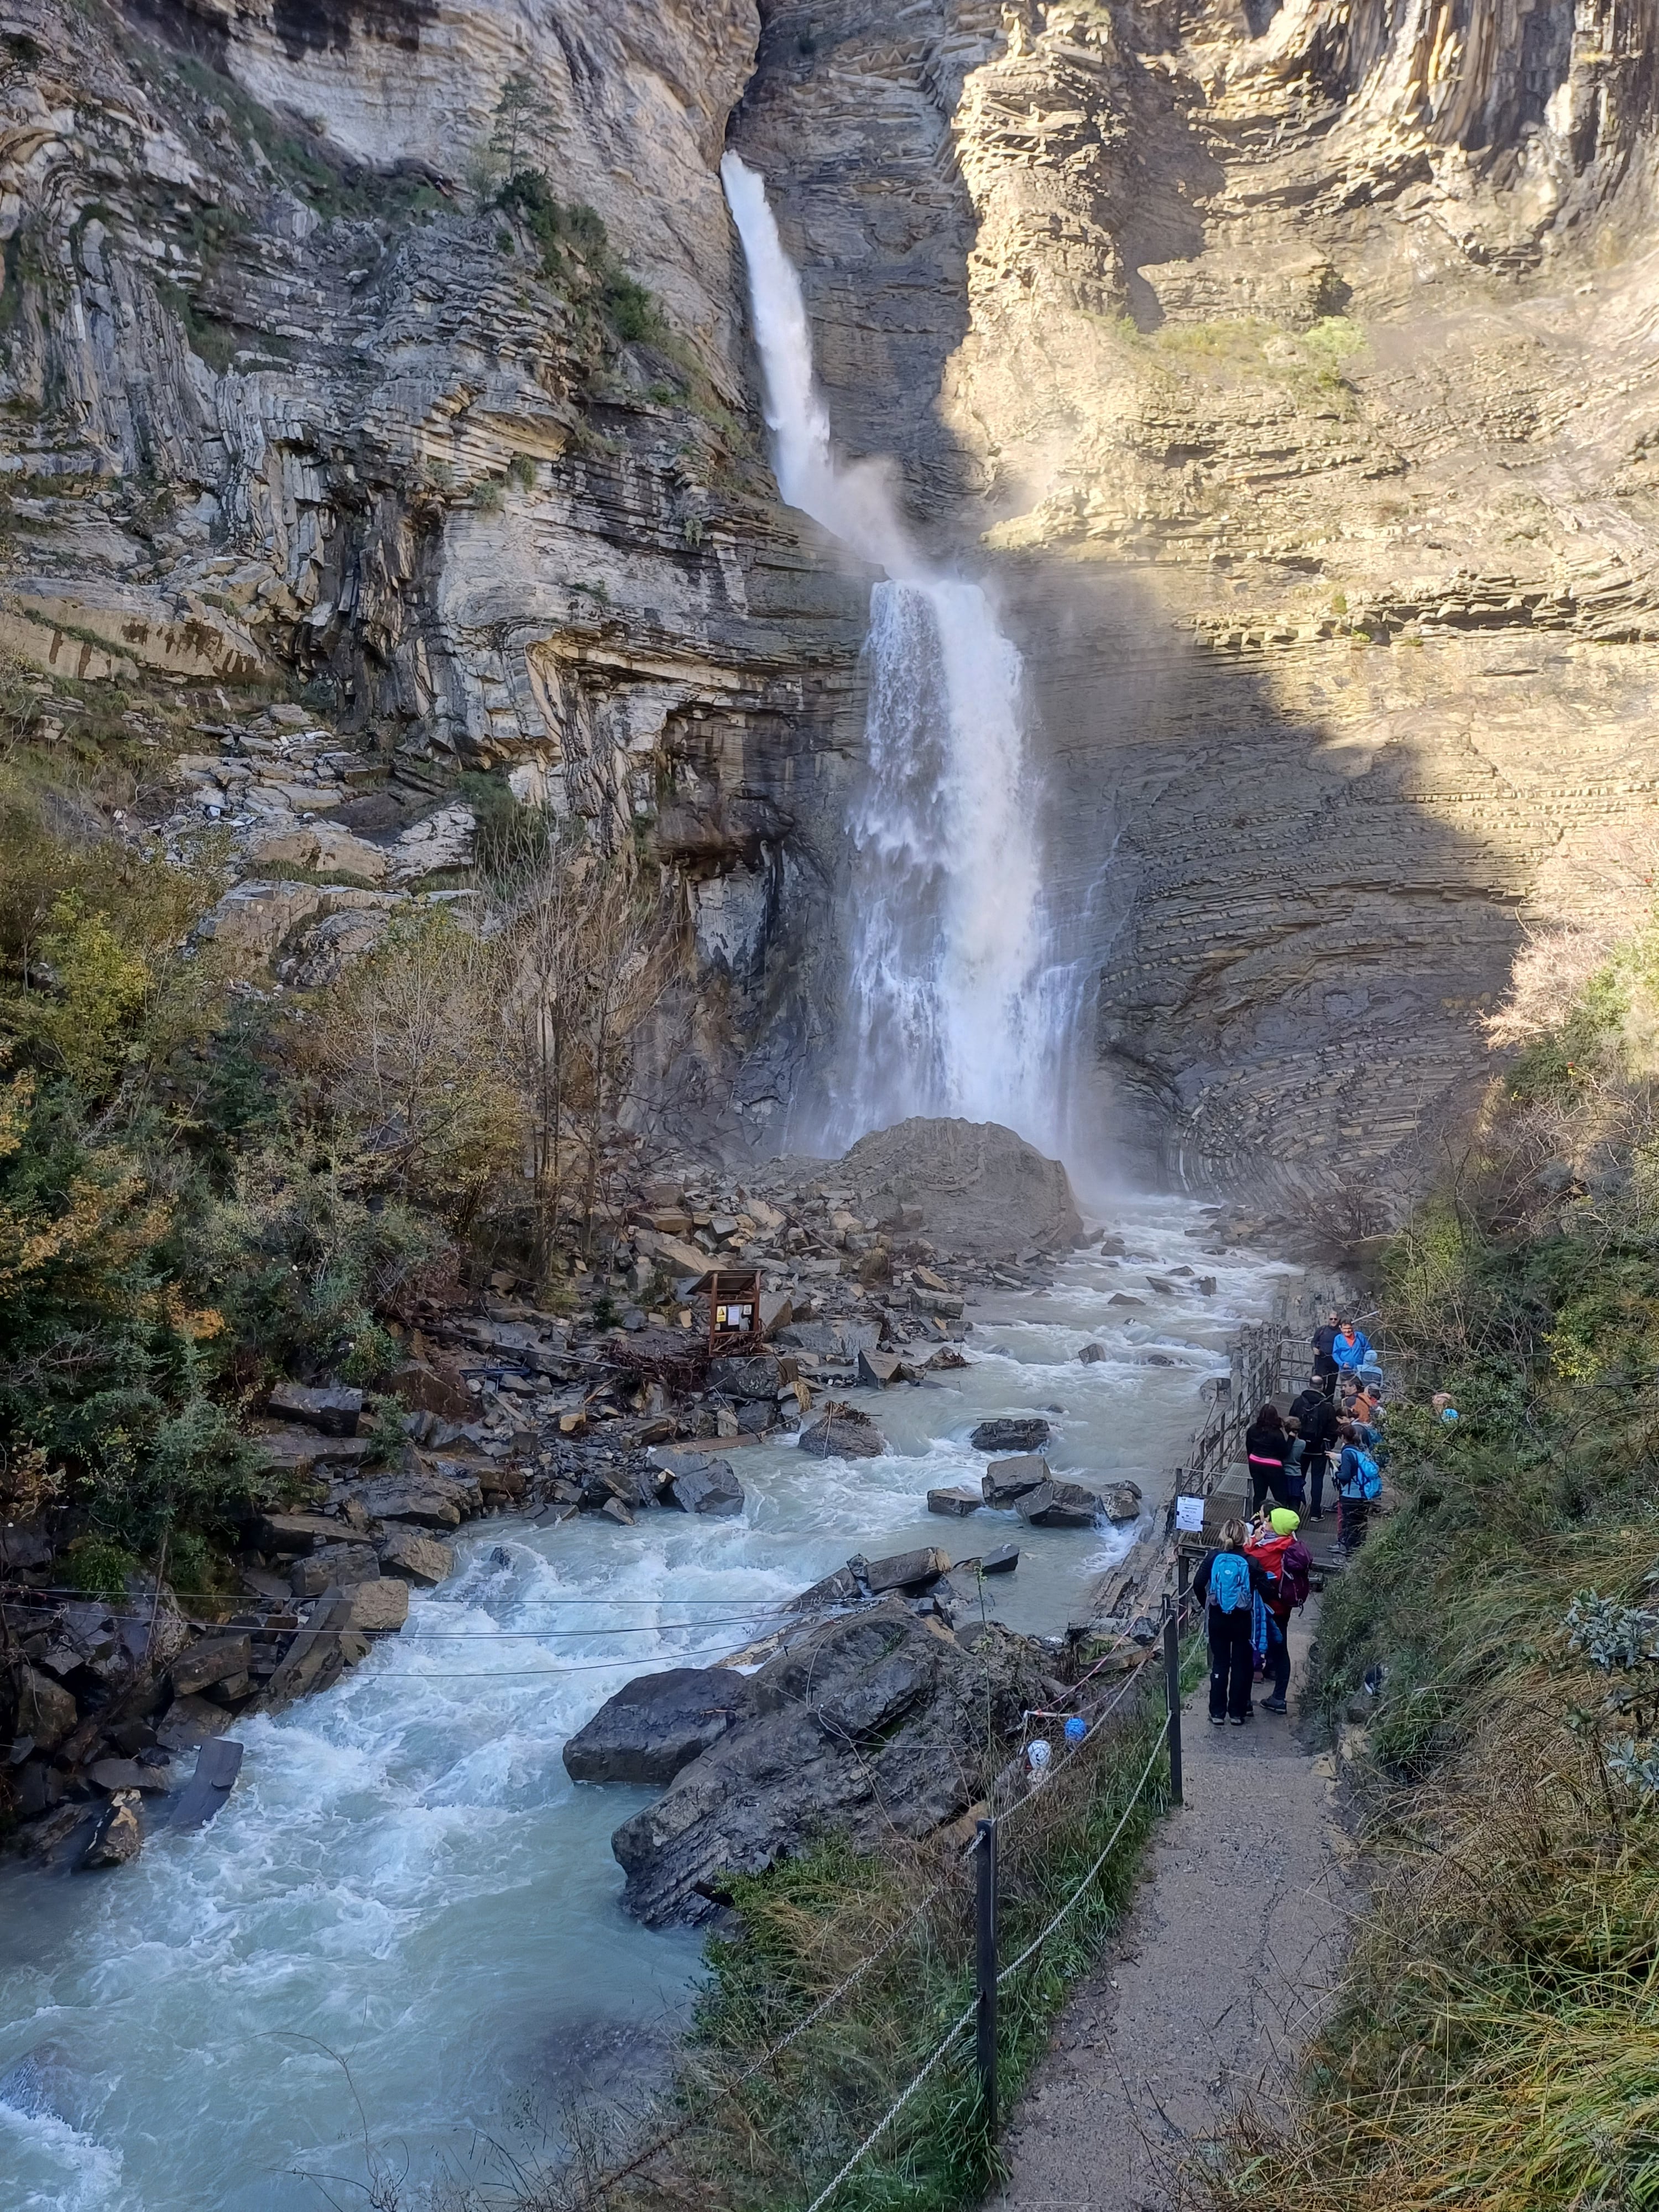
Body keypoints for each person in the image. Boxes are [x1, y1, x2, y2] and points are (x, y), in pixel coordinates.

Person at [1194, 1519, 1278, 1725]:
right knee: (1242, 1665)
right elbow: (1269, 1591)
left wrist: (1209, 1605)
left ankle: (1217, 1713)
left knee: (1220, 1664)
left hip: (1217, 1619)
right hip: (1242, 1620)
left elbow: (1197, 1584)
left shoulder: (1213, 1557)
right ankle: (1237, 1713)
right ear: (1244, 1538)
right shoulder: (1250, 1561)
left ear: (1223, 1535)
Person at [1246, 1507, 1314, 1713]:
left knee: (1250, 1648)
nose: (1265, 1523)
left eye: (1268, 1522)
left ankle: (1245, 1702)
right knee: (1281, 1650)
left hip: (1265, 1610)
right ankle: (1279, 1697)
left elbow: (1246, 1556)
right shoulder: (1290, 1545)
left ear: (1276, 1528)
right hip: (1283, 1607)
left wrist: (1253, 1539)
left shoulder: (1268, 1550)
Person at [1288, 1381, 1339, 1519]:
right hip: (1319, 1450)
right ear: (1322, 1387)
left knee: (1298, 1478)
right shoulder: (1328, 1407)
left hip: (1300, 1448)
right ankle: (1315, 1513)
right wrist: (1329, 1444)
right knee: (1317, 1480)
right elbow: (1333, 1430)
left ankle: (1294, 1511)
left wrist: (1294, 1441)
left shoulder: (1298, 1402)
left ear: (1309, 1385)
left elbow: (1290, 1421)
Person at [1333, 1420, 1381, 1552]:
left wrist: (1337, 1473)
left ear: (1343, 1438)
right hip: (1363, 1495)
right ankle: (1358, 1553)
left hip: (1350, 1495)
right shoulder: (1360, 1450)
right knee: (1360, 1525)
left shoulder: (1347, 1452)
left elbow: (1346, 1476)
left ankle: (1349, 1554)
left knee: (1349, 1525)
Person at [1244, 1402, 1293, 1512]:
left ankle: (1256, 1520)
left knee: (1259, 1495)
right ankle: (1280, 1520)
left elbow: (1249, 1448)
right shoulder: (1277, 1434)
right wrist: (1291, 1439)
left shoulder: (1252, 1429)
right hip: (1273, 1467)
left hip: (1255, 1463)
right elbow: (1284, 1453)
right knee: (1280, 1497)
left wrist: (1252, 1464)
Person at [1331, 1316, 1371, 1382]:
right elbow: (1335, 1354)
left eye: (1349, 1328)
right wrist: (1342, 1364)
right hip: (1345, 1371)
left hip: (1360, 1369)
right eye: (1345, 1329)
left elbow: (1368, 1349)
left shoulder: (1359, 1336)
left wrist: (1366, 1363)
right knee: (1346, 1390)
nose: (1347, 1331)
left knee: (1361, 1388)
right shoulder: (1338, 1339)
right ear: (1341, 1328)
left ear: (1352, 1327)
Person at [1311, 1310, 1340, 1399]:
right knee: (1321, 1382)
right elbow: (1314, 1342)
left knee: (1332, 1384)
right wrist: (1314, 1348)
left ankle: (1329, 1403)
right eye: (1331, 1319)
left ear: (1338, 1320)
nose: (1333, 1321)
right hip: (1322, 1361)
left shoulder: (1341, 1332)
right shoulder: (1322, 1330)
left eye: (1335, 1319)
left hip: (1335, 1363)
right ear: (1328, 1319)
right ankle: (1319, 1401)